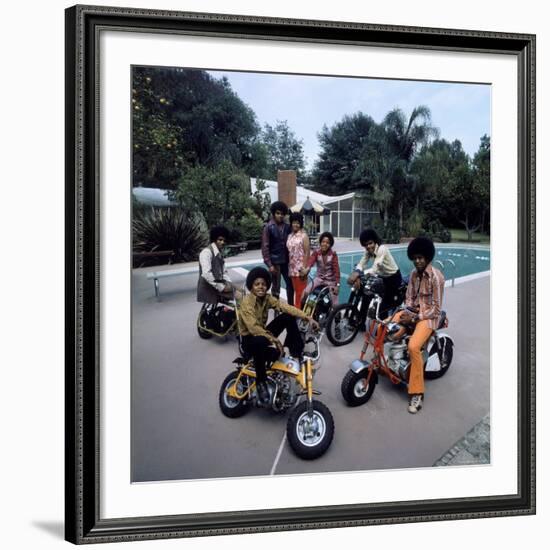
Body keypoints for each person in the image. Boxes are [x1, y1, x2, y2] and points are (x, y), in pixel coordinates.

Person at [238, 267, 320, 405]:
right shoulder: (247, 303)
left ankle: (296, 352)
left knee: (287, 316)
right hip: (249, 340)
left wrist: (308, 317)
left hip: (262, 334)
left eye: (263, 284)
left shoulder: (267, 298)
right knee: (262, 344)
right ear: (251, 286)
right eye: (257, 284)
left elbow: (286, 307)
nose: (261, 287)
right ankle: (261, 382)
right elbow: (253, 328)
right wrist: (275, 340)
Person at [391, 236, 445, 414]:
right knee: (387, 325)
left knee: (413, 346)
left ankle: (417, 392)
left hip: (428, 318)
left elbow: (436, 309)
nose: (418, 261)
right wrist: (406, 312)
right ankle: (385, 362)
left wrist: (414, 319)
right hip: (414, 313)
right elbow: (409, 297)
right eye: (415, 257)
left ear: (428, 257)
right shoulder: (414, 275)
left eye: (421, 257)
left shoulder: (437, 278)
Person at [348, 228, 403, 318]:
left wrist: (358, 275)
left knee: (383, 308)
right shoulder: (368, 251)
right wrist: (357, 271)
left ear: (375, 241)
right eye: (366, 245)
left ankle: (383, 328)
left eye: (370, 243)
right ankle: (361, 324)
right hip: (383, 277)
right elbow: (362, 263)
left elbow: (374, 269)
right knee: (366, 294)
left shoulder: (382, 249)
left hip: (393, 278)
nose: (369, 246)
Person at [261, 201, 294, 305]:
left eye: (282, 214)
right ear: (274, 213)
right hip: (275, 262)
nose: (280, 216)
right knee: (276, 288)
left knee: (290, 285)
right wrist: (269, 264)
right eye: (278, 213)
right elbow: (265, 246)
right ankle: (276, 311)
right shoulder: (268, 227)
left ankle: (290, 308)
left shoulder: (288, 227)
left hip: (286, 262)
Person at [196, 225, 235, 304]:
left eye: (224, 240)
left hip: (217, 286)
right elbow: (206, 274)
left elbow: (224, 272)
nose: (222, 242)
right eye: (220, 240)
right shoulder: (206, 252)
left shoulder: (219, 253)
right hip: (209, 289)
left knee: (240, 290)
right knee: (239, 296)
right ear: (214, 239)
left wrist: (229, 284)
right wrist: (222, 288)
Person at [301, 232, 340, 306]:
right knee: (305, 293)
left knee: (335, 305)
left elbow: (336, 271)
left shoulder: (333, 254)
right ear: (320, 242)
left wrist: (337, 285)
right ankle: (303, 313)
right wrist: (307, 269)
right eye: (323, 242)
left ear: (330, 245)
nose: (325, 244)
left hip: (331, 281)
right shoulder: (317, 252)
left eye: (327, 243)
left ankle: (336, 316)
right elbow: (311, 261)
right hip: (319, 279)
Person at [286, 212, 310, 309]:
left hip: (300, 270)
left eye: (298, 223)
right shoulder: (290, 236)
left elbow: (307, 253)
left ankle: (299, 315)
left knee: (300, 294)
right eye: (294, 222)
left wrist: (304, 269)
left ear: (301, 224)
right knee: (296, 292)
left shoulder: (304, 236)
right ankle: (297, 314)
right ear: (291, 223)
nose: (295, 224)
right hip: (292, 269)